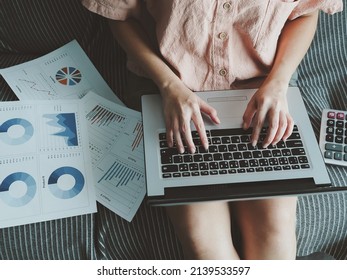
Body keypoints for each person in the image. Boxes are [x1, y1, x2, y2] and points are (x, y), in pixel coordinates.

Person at [82, 0, 343, 259]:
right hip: (172, 87)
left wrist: (278, 82)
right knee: (206, 249)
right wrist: (169, 86)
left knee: (276, 234)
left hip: (264, 86)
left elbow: (304, 14)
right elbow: (120, 16)